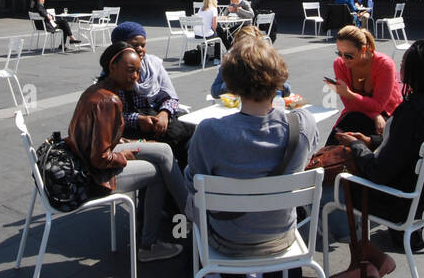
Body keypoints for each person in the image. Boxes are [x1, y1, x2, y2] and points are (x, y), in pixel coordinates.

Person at [183, 34, 321, 278]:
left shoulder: (209, 132)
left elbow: (192, 181)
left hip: (225, 240)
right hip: (279, 237)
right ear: (279, 78)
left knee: (194, 199)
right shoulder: (303, 123)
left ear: (230, 83)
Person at [332, 37, 424, 278]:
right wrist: (373, 140)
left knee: (344, 182)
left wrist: (356, 146)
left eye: (405, 63)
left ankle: (365, 263)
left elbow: (378, 172)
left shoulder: (412, 112)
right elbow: (408, 146)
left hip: (404, 203)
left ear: (418, 71)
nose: (400, 68)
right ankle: (371, 260)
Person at [65, 42, 185, 262]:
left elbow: (102, 138)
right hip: (94, 175)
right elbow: (101, 159)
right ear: (113, 67)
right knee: (159, 172)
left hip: (87, 157)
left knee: (163, 150)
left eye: (138, 71)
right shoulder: (108, 101)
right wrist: (122, 155)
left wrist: (126, 142)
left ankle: (186, 212)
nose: (136, 77)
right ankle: (155, 241)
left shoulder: (97, 90)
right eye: (130, 70)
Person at [107, 21, 193, 168]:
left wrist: (164, 113)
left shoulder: (154, 65)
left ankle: (184, 176)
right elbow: (110, 117)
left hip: (159, 122)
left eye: (143, 45)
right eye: (135, 45)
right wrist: (137, 119)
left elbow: (171, 96)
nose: (140, 49)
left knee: (192, 134)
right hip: (131, 130)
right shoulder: (113, 75)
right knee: (165, 149)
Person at [325, 25, 402, 144]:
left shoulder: (384, 64)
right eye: (340, 53)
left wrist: (350, 94)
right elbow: (349, 105)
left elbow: (379, 106)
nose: (344, 59)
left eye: (349, 56)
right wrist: (374, 115)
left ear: (364, 49)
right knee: (342, 132)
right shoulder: (340, 64)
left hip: (387, 112)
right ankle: (324, 159)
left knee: (355, 128)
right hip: (360, 112)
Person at [210, 26, 292, 98]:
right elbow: (215, 91)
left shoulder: (269, 61)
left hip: (265, 106)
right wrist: (233, 83)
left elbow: (287, 89)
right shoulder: (231, 62)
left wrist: (271, 81)